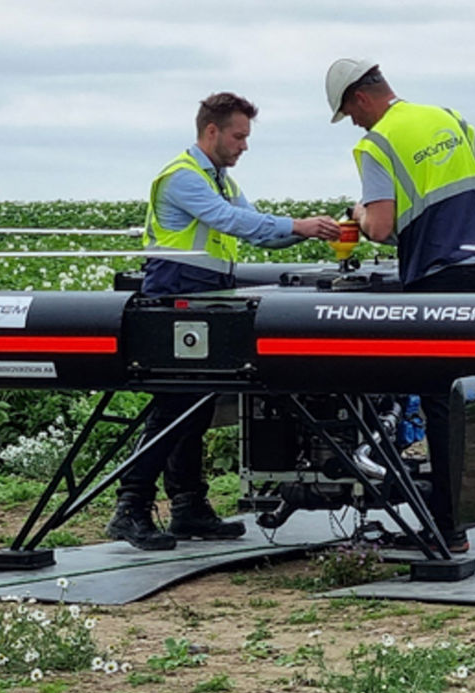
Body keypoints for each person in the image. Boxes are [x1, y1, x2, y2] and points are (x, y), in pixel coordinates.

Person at [324, 58, 475, 553]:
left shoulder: (374, 143)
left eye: (349, 113)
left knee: (442, 396)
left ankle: (450, 530)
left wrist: (357, 213)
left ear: (360, 99)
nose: (352, 122)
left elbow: (377, 227)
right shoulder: (447, 117)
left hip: (438, 281)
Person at [107, 92, 342, 551]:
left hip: (205, 297)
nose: (244, 146)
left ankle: (189, 505)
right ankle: (130, 507)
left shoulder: (220, 180)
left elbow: (254, 224)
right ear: (211, 132)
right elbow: (231, 222)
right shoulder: (182, 178)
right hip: (174, 295)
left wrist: (312, 231)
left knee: (195, 408)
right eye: (239, 136)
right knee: (173, 408)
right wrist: (298, 225)